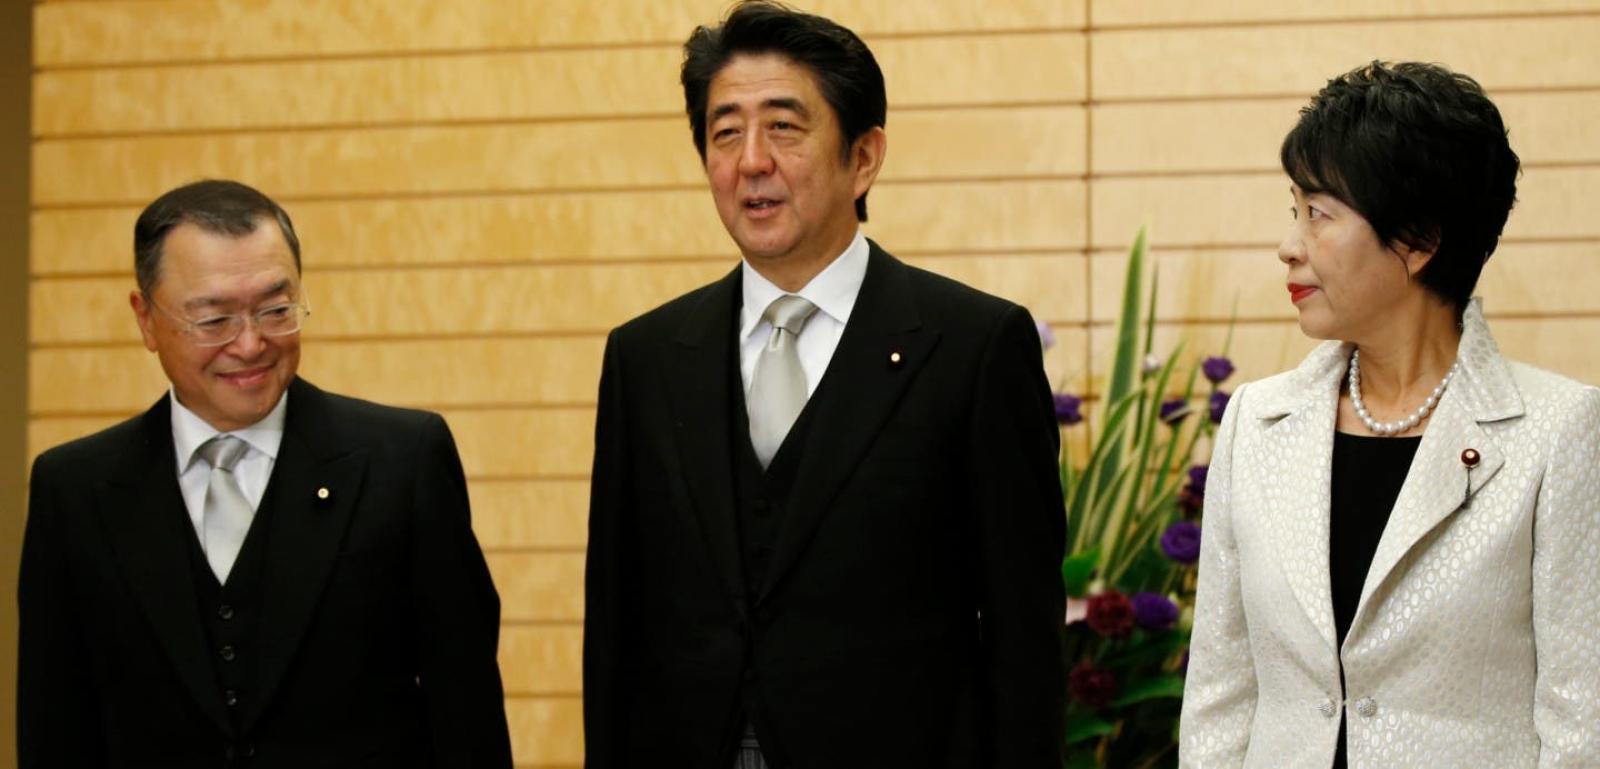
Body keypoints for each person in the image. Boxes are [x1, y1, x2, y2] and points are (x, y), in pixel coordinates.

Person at [582, 2, 1066, 767]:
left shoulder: (972, 348)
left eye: (783, 126)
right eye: (725, 131)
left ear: (863, 157)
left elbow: (1023, 636)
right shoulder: (646, 358)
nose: (751, 160)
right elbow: (616, 626)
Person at [1179, 61, 1600, 768]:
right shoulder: (1257, 422)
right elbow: (1220, 697)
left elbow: (1581, 720)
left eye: (1319, 214)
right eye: (1294, 211)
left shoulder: (1557, 431)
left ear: (1418, 240)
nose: (1289, 245)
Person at [18, 179, 513, 768]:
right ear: (146, 319)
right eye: (214, 319)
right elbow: (55, 722)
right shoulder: (75, 489)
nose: (251, 344)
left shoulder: (403, 462)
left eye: (276, 310)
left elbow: (466, 710)